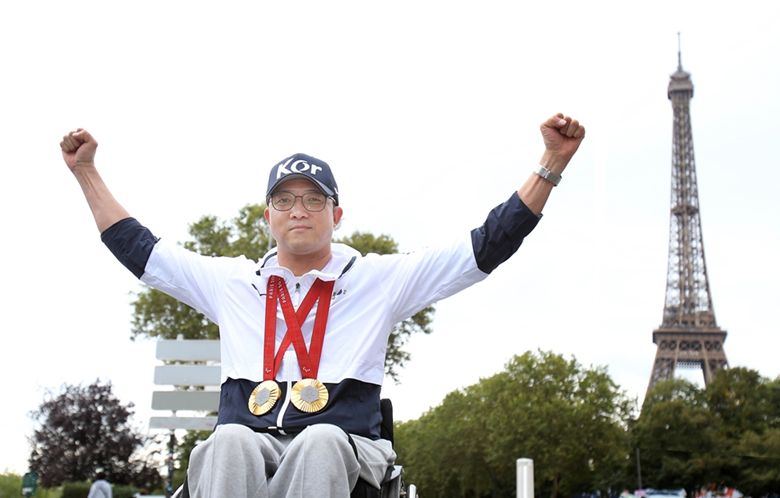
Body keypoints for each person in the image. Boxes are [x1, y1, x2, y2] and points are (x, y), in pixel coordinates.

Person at [60, 113, 585, 498]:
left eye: (314, 199)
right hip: (253, 441)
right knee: (229, 444)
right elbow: (139, 248)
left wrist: (551, 162)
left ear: (338, 214)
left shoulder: (378, 278)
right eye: (285, 200)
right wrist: (86, 171)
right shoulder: (233, 281)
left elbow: (486, 244)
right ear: (267, 217)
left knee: (320, 441)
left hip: (347, 444)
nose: (299, 211)